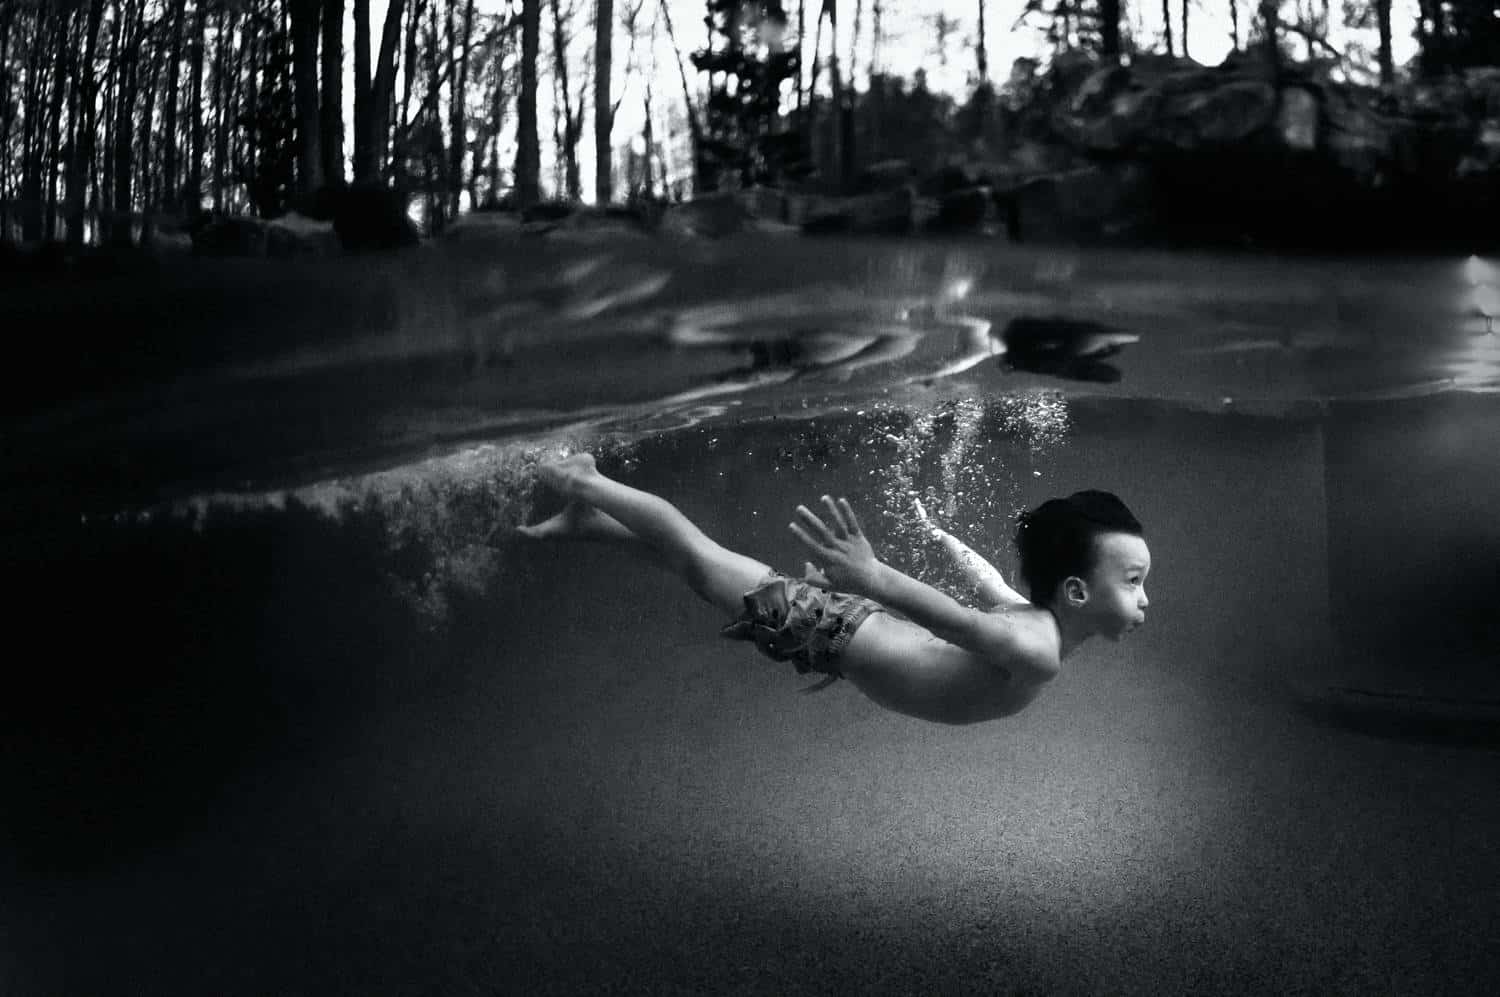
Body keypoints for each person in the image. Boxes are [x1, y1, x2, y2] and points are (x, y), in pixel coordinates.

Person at [518, 452, 1150, 725]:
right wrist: (874, 576)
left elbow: (981, 579)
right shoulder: (1038, 650)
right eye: (1133, 581)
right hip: (838, 629)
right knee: (699, 558)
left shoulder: (1032, 621)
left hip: (847, 633)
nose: (1145, 598)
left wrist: (941, 537)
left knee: (701, 571)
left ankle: (593, 522)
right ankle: (587, 483)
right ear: (1074, 592)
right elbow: (961, 620)